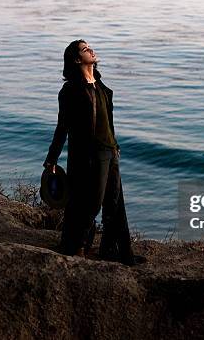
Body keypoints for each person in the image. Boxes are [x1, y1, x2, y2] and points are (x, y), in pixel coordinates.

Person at [43, 39, 145, 266]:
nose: (91, 50)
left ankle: (117, 251)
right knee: (91, 203)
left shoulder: (101, 87)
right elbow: (63, 126)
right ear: (77, 59)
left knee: (115, 203)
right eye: (85, 49)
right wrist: (52, 157)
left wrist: (115, 145)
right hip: (90, 154)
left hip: (109, 151)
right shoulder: (71, 90)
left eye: (89, 46)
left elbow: (108, 122)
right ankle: (76, 246)